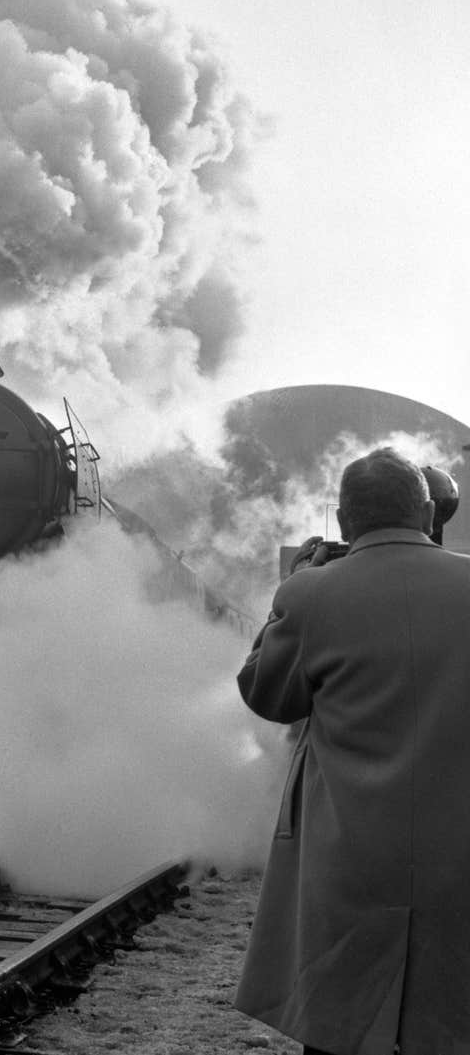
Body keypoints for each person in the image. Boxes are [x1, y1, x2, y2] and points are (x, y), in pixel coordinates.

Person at [234, 447, 470, 1054]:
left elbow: (267, 694)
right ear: (426, 512)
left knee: (340, 1028)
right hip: (459, 858)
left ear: (342, 522)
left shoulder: (312, 595)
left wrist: (286, 594)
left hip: (347, 863)